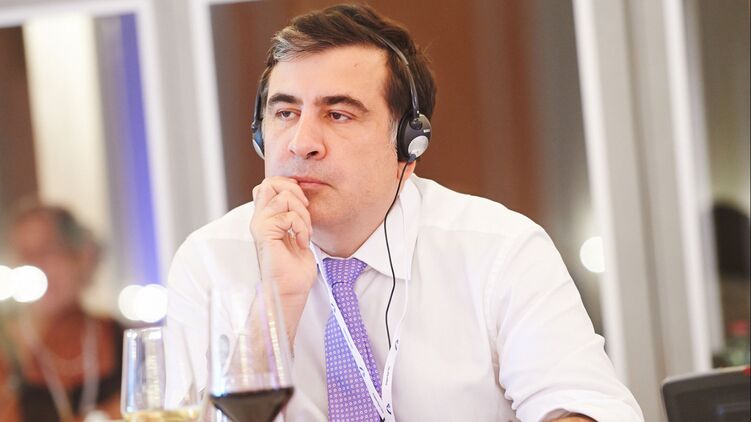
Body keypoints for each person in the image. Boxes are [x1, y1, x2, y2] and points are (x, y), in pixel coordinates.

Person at [166, 4, 643, 421]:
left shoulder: (501, 250)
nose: (301, 143)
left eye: (338, 114)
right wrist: (275, 304)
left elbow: (584, 407)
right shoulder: (209, 261)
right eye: (285, 113)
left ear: (408, 146)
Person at [0, 203, 124, 421]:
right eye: (24, 254)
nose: (34, 265)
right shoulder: (8, 347)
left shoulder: (118, 337)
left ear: (82, 256)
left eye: (47, 251)